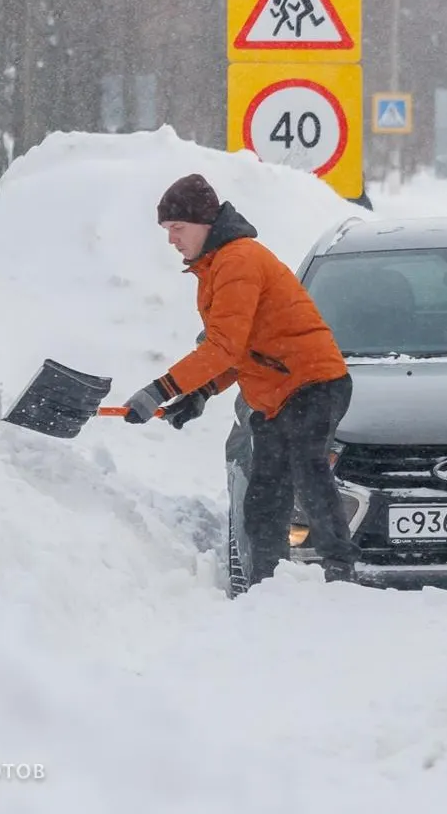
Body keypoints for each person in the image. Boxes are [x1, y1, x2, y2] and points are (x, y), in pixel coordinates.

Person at [122, 173, 360, 587]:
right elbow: (242, 350)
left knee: (307, 467)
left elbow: (223, 347)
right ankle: (267, 583)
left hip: (313, 381)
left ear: (204, 223)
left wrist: (159, 391)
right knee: (265, 493)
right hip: (274, 393)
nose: (172, 239)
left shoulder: (238, 260)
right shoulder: (214, 267)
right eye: (167, 230)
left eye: (177, 228)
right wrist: (200, 393)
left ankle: (340, 571)